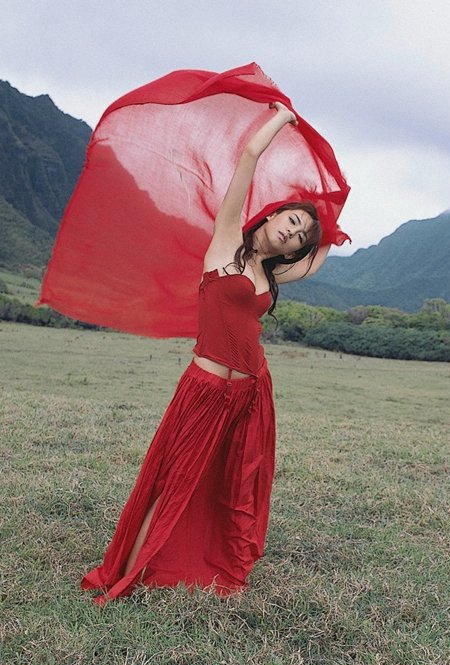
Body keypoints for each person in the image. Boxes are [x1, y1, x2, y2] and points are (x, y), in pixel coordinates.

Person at [80, 103, 330, 603]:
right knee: (172, 482)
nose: (294, 233)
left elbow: (312, 264)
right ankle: (126, 579)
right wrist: (282, 118)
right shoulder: (225, 244)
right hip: (206, 389)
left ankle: (203, 560)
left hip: (250, 394)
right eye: (293, 221)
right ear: (274, 213)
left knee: (231, 486)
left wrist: (330, 221)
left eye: (301, 235)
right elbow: (249, 156)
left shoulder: (273, 272)